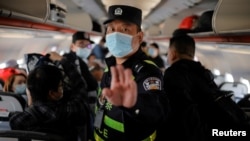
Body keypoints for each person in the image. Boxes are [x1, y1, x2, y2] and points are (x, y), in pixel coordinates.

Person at [94, 5, 168, 141]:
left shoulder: (148, 71)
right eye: (111, 29)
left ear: (139, 37)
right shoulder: (110, 65)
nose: (115, 35)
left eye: (125, 29)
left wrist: (134, 105)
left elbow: (157, 114)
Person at [9, 52, 90, 141]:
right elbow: (81, 88)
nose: (62, 88)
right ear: (52, 93)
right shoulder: (70, 111)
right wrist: (63, 61)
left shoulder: (18, 120)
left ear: (29, 91)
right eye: (60, 86)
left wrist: (30, 105)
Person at [63, 31, 99, 115]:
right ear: (72, 47)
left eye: (88, 45)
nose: (85, 48)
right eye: (81, 44)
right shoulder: (69, 61)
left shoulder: (82, 61)